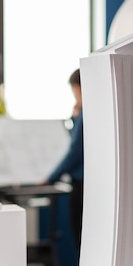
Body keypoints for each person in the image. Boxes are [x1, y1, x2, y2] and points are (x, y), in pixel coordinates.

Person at [43, 69, 84, 254]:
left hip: (82, 185)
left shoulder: (87, 112)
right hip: (89, 184)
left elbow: (75, 151)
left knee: (81, 240)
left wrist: (50, 177)